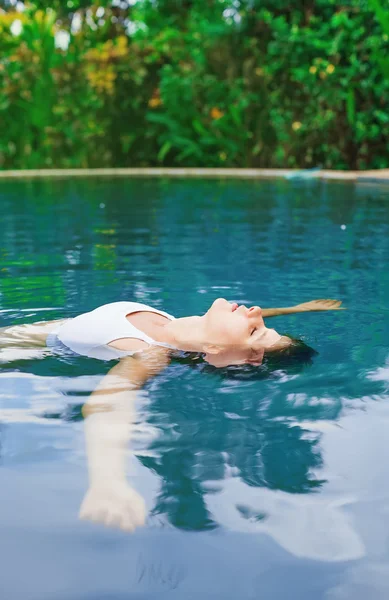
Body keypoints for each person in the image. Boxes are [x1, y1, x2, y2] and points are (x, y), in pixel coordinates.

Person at [0, 297, 343, 531]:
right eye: (261, 321)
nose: (254, 312)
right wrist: (299, 308)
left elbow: (107, 404)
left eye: (255, 329)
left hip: (30, 349)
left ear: (217, 350)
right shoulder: (191, 326)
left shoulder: (150, 355)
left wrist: (108, 482)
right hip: (38, 329)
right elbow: (251, 321)